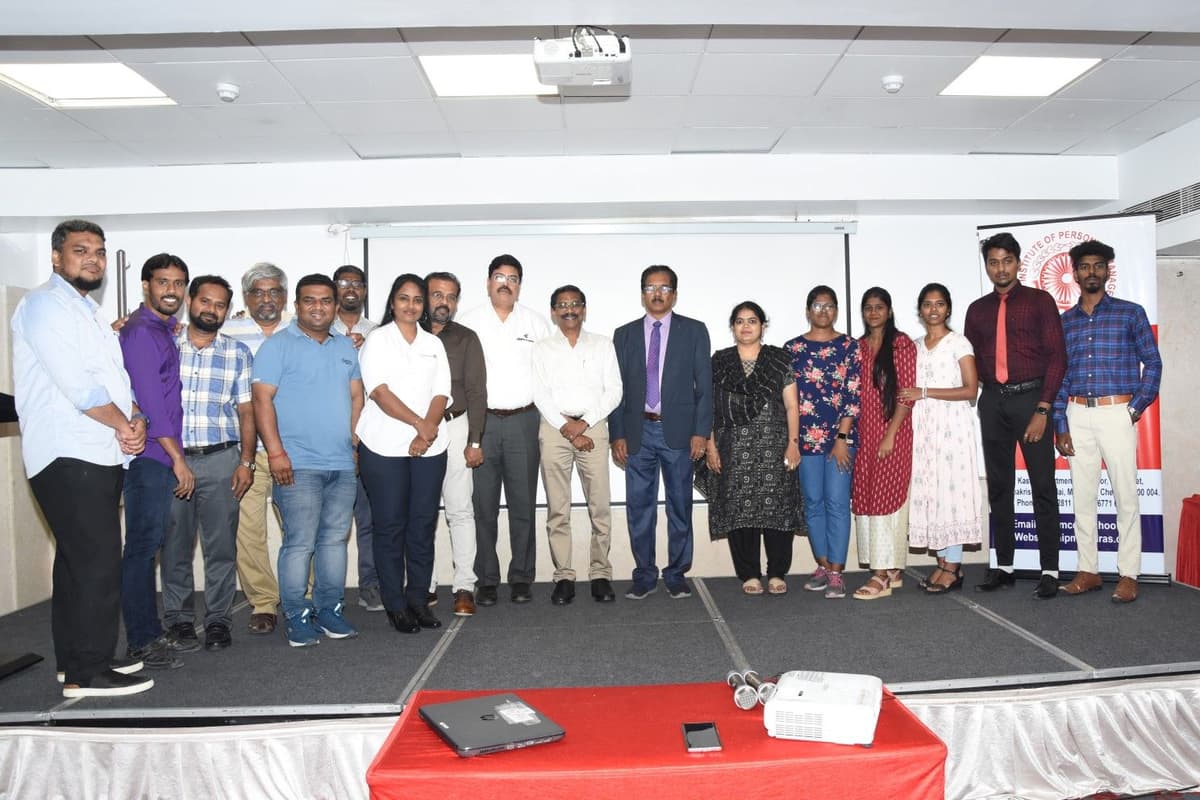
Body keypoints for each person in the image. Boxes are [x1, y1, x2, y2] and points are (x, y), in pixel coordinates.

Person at [12, 219, 153, 697]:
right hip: (68, 450)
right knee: (97, 561)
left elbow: (114, 380)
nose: (92, 259)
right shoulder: (45, 306)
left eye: (98, 251)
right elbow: (78, 386)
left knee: (76, 561)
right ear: (56, 257)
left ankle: (75, 658)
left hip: (97, 449)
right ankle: (87, 673)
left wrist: (134, 417)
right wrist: (123, 424)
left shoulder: (86, 310)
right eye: (80, 250)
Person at [252, 274, 364, 647]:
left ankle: (330, 609)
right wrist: (276, 453)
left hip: (342, 465)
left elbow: (356, 397)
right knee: (299, 543)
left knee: (334, 541)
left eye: (325, 301)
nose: (318, 307)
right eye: (309, 300)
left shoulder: (345, 348)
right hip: (296, 464)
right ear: (296, 305)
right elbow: (261, 401)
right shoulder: (277, 346)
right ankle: (297, 615)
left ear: (334, 305)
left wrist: (353, 444)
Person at [1053, 240, 1162, 603]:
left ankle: (1129, 573)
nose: (1092, 272)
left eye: (1098, 266)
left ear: (1107, 271)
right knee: (1082, 498)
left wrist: (1133, 410)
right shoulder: (1064, 322)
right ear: (1075, 273)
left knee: (1125, 497)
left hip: (1118, 412)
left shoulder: (1130, 313)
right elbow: (1060, 374)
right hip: (1077, 413)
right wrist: (1061, 423)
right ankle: (1088, 571)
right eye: (1085, 266)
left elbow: (1154, 364)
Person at [964, 232, 1067, 600]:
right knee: (1000, 487)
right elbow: (971, 362)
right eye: (993, 262)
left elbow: (1057, 357)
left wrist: (1043, 409)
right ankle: (1003, 566)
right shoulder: (977, 309)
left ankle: (1050, 570)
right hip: (992, 402)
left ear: (1018, 263)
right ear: (987, 266)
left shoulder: (1040, 301)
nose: (1000, 268)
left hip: (1030, 401)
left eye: (1007, 261)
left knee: (1042, 486)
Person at [160, 275, 255, 652]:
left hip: (221, 460)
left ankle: (218, 621)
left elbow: (246, 412)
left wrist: (246, 461)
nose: (211, 309)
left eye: (219, 305)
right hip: (172, 461)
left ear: (226, 311)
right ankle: (179, 621)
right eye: (205, 301)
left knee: (221, 548)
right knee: (175, 546)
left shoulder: (237, 353)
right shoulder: (166, 347)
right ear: (190, 301)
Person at [610, 265, 713, 600]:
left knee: (680, 505)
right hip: (637, 432)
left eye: (664, 288)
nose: (657, 293)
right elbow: (615, 389)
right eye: (651, 287)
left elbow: (705, 388)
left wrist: (701, 432)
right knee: (639, 507)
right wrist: (617, 434)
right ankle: (644, 574)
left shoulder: (694, 331)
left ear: (675, 294)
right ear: (642, 294)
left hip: (680, 434)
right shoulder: (623, 334)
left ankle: (676, 573)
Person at [357, 274, 452, 633]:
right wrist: (419, 425)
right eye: (403, 298)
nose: (411, 305)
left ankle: (418, 601)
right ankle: (395, 604)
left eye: (417, 300)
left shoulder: (433, 343)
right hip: (383, 446)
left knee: (422, 526)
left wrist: (426, 431)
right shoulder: (377, 340)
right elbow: (378, 391)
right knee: (390, 527)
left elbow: (442, 391)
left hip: (430, 447)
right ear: (392, 303)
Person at [458, 255, 550, 605]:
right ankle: (487, 579)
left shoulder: (536, 323)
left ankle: (522, 576)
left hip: (524, 421)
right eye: (499, 276)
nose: (505, 283)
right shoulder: (469, 322)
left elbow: (547, 372)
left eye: (512, 278)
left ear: (520, 285)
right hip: (482, 422)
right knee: (483, 505)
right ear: (487, 282)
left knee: (523, 503)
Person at [119, 253, 195, 670]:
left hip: (159, 455)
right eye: (163, 282)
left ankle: (148, 631)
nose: (172, 290)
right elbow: (150, 402)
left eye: (178, 283)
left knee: (150, 547)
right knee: (142, 548)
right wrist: (177, 460)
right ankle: (142, 640)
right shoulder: (141, 333)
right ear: (146, 285)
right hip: (150, 456)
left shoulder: (158, 330)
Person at [698, 301, 802, 595]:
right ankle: (749, 574)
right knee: (739, 509)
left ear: (763, 326)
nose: (746, 326)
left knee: (777, 508)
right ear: (732, 327)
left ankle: (778, 572)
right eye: (740, 321)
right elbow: (710, 408)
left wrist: (794, 444)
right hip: (733, 447)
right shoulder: (719, 361)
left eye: (752, 321)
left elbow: (792, 405)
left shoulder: (778, 360)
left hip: (775, 444)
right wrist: (711, 446)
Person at [532, 285, 623, 605]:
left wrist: (583, 425)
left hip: (594, 428)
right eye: (562, 305)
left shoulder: (602, 345)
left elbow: (614, 391)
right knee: (558, 508)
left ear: (584, 309)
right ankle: (564, 577)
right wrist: (568, 428)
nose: (569, 309)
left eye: (575, 304)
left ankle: (600, 574)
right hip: (555, 429)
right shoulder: (542, 348)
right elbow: (539, 393)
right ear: (553, 311)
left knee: (599, 506)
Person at [898, 283, 984, 594]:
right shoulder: (916, 345)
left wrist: (924, 392)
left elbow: (970, 389)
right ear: (920, 310)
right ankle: (943, 562)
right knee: (934, 493)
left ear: (948, 308)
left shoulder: (959, 343)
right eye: (927, 304)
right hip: (925, 429)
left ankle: (954, 566)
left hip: (952, 428)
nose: (933, 309)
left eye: (939, 303)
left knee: (954, 493)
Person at [224, 263, 290, 635]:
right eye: (258, 293)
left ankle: (302, 596)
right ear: (246, 298)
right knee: (248, 531)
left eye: (274, 292)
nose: (266, 299)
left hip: (291, 448)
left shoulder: (302, 331)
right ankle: (263, 602)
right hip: (244, 452)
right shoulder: (228, 331)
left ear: (284, 295)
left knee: (299, 529)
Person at [784, 286, 861, 600]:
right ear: (807, 310)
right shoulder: (791, 348)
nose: (824, 311)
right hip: (804, 440)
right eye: (817, 305)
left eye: (830, 306)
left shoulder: (849, 347)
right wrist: (791, 442)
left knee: (837, 503)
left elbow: (852, 396)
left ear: (837, 311)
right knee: (813, 503)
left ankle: (837, 573)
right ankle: (823, 564)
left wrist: (842, 438)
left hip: (839, 439)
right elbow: (788, 400)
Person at [423, 271, 487, 616]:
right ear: (424, 297)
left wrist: (475, 440)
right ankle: (425, 585)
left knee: (460, 510)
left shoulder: (466, 338)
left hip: (456, 427)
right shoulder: (406, 335)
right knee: (422, 513)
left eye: (450, 296)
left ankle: (464, 586)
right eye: (436, 295)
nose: (443, 302)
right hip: (416, 433)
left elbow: (477, 392)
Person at [851, 288, 916, 600]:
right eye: (868, 308)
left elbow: (905, 395)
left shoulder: (901, 344)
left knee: (884, 499)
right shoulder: (860, 347)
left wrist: (890, 435)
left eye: (879, 307)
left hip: (893, 433)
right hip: (865, 435)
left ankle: (879, 575)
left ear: (889, 311)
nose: (873, 313)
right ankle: (891, 569)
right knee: (865, 497)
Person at [331, 264, 382, 613]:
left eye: (358, 284)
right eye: (344, 283)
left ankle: (371, 586)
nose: (351, 289)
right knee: (330, 525)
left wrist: (368, 350)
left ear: (365, 290)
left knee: (371, 521)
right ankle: (327, 594)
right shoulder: (318, 328)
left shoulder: (379, 332)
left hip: (369, 439)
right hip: (327, 439)